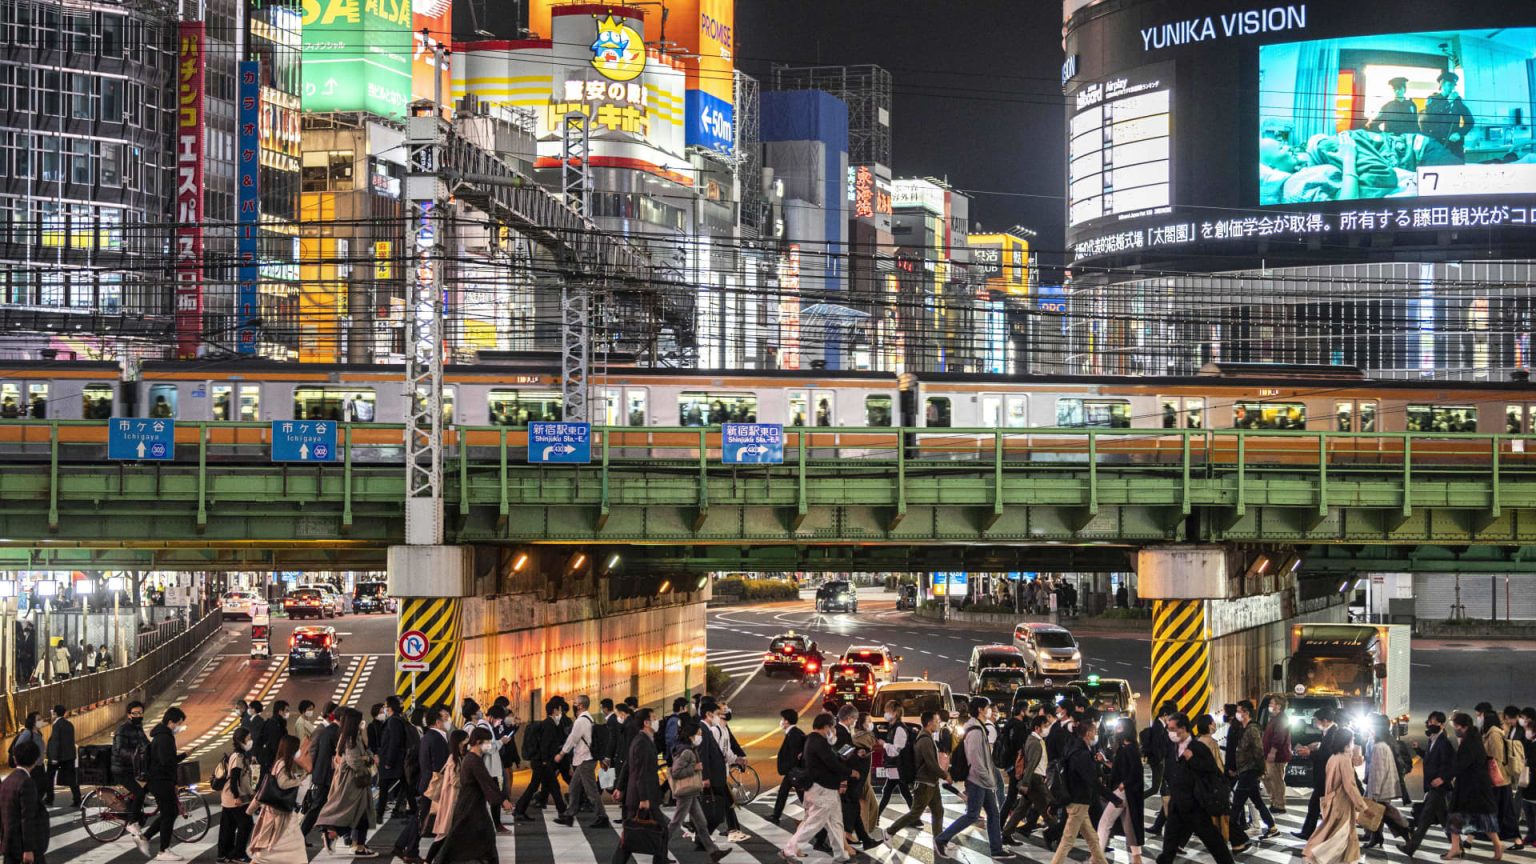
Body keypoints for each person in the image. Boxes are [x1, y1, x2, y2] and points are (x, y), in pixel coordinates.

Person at [933, 697, 1017, 860]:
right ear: (979, 709)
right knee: (972, 814)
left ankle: (996, 849)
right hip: (977, 780)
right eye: (987, 707)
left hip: (981, 780)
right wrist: (989, 779)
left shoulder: (978, 728)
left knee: (993, 813)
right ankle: (941, 839)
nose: (990, 710)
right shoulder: (975, 731)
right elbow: (975, 760)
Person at [1155, 712, 1235, 864]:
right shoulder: (1173, 748)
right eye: (1168, 729)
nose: (1169, 732)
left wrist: (1192, 759)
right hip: (1177, 803)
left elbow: (1212, 769)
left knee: (1212, 839)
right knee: (1170, 840)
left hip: (1195, 804)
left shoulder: (1198, 747)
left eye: (1172, 729)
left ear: (1183, 728)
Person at [431, 728, 512, 864]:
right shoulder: (473, 760)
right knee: (462, 838)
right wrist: (502, 800)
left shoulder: (472, 758)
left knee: (472, 837)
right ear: (479, 742)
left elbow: (486, 782)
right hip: (470, 806)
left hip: (472, 805)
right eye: (487, 741)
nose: (489, 744)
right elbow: (486, 781)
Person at [782, 713, 848, 863]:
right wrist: (850, 772)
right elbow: (831, 763)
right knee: (813, 824)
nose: (834, 730)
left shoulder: (816, 740)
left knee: (835, 823)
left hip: (826, 788)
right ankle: (789, 850)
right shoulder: (818, 742)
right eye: (832, 727)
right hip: (822, 790)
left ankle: (841, 856)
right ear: (826, 727)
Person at [315, 708, 379, 857]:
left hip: (354, 781)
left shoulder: (350, 735)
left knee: (357, 813)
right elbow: (355, 761)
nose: (362, 723)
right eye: (360, 720)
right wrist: (368, 759)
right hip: (354, 782)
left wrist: (366, 756)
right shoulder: (351, 738)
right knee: (359, 812)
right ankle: (342, 838)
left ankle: (351, 841)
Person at [1302, 726, 1367, 864]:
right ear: (1347, 741)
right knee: (1340, 834)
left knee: (1334, 831)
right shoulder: (1344, 759)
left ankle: (1343, 859)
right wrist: (1361, 805)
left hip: (1331, 798)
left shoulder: (1333, 757)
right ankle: (1317, 856)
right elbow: (1350, 785)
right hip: (1341, 801)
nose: (1353, 741)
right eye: (1352, 739)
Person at [611, 709, 668, 864]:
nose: (657, 721)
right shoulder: (642, 742)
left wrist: (619, 787)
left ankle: (661, 860)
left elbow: (629, 766)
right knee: (634, 836)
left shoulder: (644, 740)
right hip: (641, 797)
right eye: (654, 718)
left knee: (634, 834)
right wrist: (643, 798)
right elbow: (640, 772)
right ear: (646, 723)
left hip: (641, 795)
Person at [395, 706, 452, 863]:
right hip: (433, 784)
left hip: (427, 782)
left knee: (420, 816)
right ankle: (411, 850)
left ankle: (402, 845)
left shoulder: (431, 736)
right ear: (437, 721)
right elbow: (440, 765)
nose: (448, 719)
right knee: (422, 819)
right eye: (446, 716)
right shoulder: (436, 738)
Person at [1050, 718, 1109, 864]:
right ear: (1089, 733)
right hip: (1079, 801)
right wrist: (1114, 798)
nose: (1096, 734)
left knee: (1092, 838)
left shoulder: (1075, 748)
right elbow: (1091, 780)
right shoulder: (1081, 753)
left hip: (1078, 801)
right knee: (1067, 841)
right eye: (1095, 731)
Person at [1446, 711, 1503, 859]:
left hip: (1473, 788)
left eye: (1456, 726)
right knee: (1457, 817)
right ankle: (1455, 848)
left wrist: (1445, 776)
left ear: (1462, 727)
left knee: (1483, 819)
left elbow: (1462, 764)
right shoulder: (1471, 738)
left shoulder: (1470, 742)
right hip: (1470, 787)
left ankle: (1497, 844)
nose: (1455, 729)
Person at [667, 718, 726, 860]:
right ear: (691, 735)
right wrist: (694, 768)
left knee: (701, 823)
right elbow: (675, 772)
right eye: (699, 733)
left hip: (691, 791)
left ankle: (714, 852)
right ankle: (658, 848)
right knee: (676, 823)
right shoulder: (687, 751)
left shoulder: (688, 748)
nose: (701, 736)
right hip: (686, 792)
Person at [1401, 710, 1454, 857]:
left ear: (1442, 725)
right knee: (1443, 818)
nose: (1431, 725)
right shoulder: (1432, 739)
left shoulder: (1444, 742)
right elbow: (1430, 759)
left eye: (1434, 722)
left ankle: (1411, 847)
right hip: (1432, 784)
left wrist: (1442, 778)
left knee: (1424, 818)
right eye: (1429, 722)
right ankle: (1458, 846)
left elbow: (1449, 764)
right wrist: (1418, 749)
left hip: (1438, 786)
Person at [885, 711, 944, 841]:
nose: (939, 724)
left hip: (931, 782)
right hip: (924, 783)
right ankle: (890, 831)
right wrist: (945, 775)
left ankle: (939, 841)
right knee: (915, 813)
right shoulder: (924, 740)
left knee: (938, 811)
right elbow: (931, 764)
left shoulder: (927, 737)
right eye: (937, 721)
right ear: (929, 723)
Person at [1228, 700, 1279, 850]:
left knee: (1236, 806)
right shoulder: (1243, 728)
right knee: (1256, 800)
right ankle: (1272, 827)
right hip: (1244, 770)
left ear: (1246, 713)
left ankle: (1237, 838)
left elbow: (1258, 750)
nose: (1237, 714)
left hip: (1249, 771)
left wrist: (1261, 769)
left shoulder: (1252, 729)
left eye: (1239, 711)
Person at [554, 695, 609, 828]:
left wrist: (561, 754)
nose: (573, 704)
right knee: (573, 787)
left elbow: (573, 739)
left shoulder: (580, 721)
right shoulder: (589, 718)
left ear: (580, 706)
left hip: (586, 760)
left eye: (575, 702)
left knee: (591, 791)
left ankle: (602, 817)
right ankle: (569, 815)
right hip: (585, 759)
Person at [142, 707, 189, 862]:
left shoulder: (162, 735)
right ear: (170, 722)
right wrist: (180, 760)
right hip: (161, 781)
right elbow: (166, 761)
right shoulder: (164, 738)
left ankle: (146, 837)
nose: (179, 727)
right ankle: (163, 850)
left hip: (160, 780)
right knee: (169, 814)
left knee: (169, 813)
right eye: (178, 724)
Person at [249, 735, 305, 864]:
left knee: (279, 846)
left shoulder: (280, 762)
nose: (299, 750)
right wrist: (298, 781)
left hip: (278, 811)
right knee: (283, 845)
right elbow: (282, 784)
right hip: (280, 812)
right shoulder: (283, 764)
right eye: (297, 748)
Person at [1097, 716, 1145, 864]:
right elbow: (1121, 769)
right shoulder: (1125, 748)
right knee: (1129, 824)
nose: (1116, 730)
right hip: (1124, 790)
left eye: (1119, 728)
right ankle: (1137, 858)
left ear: (1126, 729)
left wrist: (1124, 783)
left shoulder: (1130, 749)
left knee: (1105, 822)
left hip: (1124, 791)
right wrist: (1105, 762)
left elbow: (1136, 771)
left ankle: (1097, 857)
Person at [1004, 714, 1058, 841]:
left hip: (1035, 778)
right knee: (1048, 808)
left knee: (1022, 809)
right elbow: (1031, 765)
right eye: (1045, 726)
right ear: (1037, 728)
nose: (1047, 728)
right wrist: (1026, 783)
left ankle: (1006, 834)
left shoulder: (1035, 740)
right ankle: (1057, 836)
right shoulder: (1035, 743)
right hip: (1035, 780)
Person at [513, 699, 566, 820]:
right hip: (543, 762)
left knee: (544, 786)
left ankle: (519, 810)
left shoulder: (549, 723)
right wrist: (545, 761)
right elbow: (545, 744)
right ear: (554, 711)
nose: (560, 713)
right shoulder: (549, 724)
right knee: (551, 786)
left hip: (541, 761)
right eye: (559, 710)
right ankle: (563, 812)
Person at [1294, 706, 1341, 840]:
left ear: (1325, 720)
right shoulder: (1328, 732)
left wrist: (1310, 752)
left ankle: (1311, 832)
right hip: (1323, 775)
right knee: (1316, 805)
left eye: (1316, 720)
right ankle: (1308, 832)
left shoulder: (1334, 732)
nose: (1315, 723)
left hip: (1327, 775)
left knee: (1317, 805)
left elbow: (1328, 754)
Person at [1365, 714, 1411, 848]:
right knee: (1383, 813)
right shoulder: (1385, 743)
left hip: (1381, 788)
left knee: (1386, 815)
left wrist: (1375, 792)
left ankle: (1406, 831)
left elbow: (1379, 771)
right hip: (1385, 787)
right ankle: (1377, 837)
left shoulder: (1379, 746)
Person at [113, 701, 152, 853]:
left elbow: (146, 745)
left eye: (140, 713)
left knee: (149, 785)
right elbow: (120, 750)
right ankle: (132, 822)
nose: (138, 716)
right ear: (129, 714)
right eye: (135, 713)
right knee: (140, 792)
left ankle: (132, 807)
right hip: (121, 769)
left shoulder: (138, 728)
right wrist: (137, 755)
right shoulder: (122, 730)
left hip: (135, 768)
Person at [424, 729, 468, 863]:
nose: (468, 742)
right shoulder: (453, 760)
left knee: (449, 833)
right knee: (442, 834)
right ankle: (428, 860)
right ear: (459, 742)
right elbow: (455, 781)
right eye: (466, 739)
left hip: (453, 801)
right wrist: (469, 780)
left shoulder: (458, 757)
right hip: (450, 802)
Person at [0, 739, 47, 864]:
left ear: (15, 759)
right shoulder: (26, 782)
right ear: (35, 760)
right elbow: (27, 818)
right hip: (22, 848)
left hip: (9, 844)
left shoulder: (6, 781)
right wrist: (28, 849)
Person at [300, 705, 342, 839]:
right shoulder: (324, 730)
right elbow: (313, 751)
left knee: (324, 805)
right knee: (317, 806)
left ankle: (325, 831)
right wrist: (312, 769)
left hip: (324, 774)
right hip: (323, 775)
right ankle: (301, 835)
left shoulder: (329, 730)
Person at [215, 728, 255, 864]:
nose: (250, 741)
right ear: (240, 740)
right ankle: (237, 854)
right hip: (234, 797)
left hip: (231, 796)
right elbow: (234, 779)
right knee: (246, 824)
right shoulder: (238, 757)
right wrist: (237, 797)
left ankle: (224, 854)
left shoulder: (241, 755)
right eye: (248, 738)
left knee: (228, 826)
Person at [1419, 71, 1475, 159]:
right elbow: (1430, 117)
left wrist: (1459, 133)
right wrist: (1448, 102)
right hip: (1438, 145)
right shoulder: (1432, 100)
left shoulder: (1457, 100)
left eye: (1453, 85)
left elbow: (1470, 121)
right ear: (1442, 84)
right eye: (1449, 85)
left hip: (1455, 147)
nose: (1451, 88)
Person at [375, 697, 412, 821]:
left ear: (389, 708)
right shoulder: (397, 719)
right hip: (396, 760)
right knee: (405, 785)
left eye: (385, 706)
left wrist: (389, 761)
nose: (384, 708)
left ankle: (380, 814)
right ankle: (405, 810)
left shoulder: (393, 721)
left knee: (384, 787)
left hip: (392, 761)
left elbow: (394, 742)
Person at [877, 701, 914, 817]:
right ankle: (915, 818)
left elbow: (896, 750)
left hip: (899, 767)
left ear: (895, 713)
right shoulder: (893, 727)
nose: (885, 714)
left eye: (887, 711)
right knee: (894, 792)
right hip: (895, 767)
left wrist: (884, 744)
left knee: (891, 792)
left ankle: (876, 816)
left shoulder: (899, 729)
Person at [769, 709, 806, 824]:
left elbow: (795, 755)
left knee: (803, 797)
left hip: (794, 772)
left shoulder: (793, 734)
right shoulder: (794, 732)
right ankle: (776, 816)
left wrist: (791, 769)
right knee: (783, 792)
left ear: (787, 721)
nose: (781, 722)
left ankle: (814, 818)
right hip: (793, 771)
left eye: (782, 719)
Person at [1260, 695, 1292, 814]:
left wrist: (1273, 752)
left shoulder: (1281, 719)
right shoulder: (1274, 718)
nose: (1270, 706)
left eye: (1271, 703)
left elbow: (1279, 737)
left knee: (1277, 780)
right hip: (1269, 754)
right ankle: (1274, 800)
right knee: (1266, 777)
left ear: (1278, 706)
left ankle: (1279, 804)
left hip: (1277, 756)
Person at [43, 704, 78, 808]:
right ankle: (77, 798)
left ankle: (49, 798)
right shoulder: (69, 724)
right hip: (69, 756)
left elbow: (55, 742)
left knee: (49, 777)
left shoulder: (57, 725)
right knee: (72, 778)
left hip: (58, 757)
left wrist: (53, 758)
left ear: (55, 713)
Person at [256, 701, 289, 778]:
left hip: (266, 760)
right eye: (286, 710)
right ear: (280, 712)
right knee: (267, 782)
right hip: (270, 761)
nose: (288, 713)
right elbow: (275, 745)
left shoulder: (273, 722)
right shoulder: (276, 725)